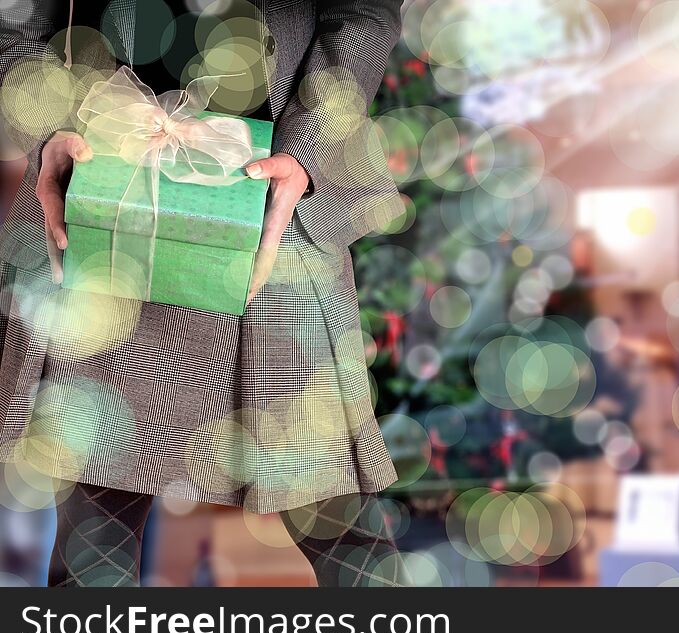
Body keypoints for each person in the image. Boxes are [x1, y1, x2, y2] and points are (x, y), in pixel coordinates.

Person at [0, 0, 409, 587]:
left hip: (271, 200)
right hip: (104, 188)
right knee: (94, 537)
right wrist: (45, 133)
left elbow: (363, 12)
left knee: (335, 516)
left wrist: (308, 150)